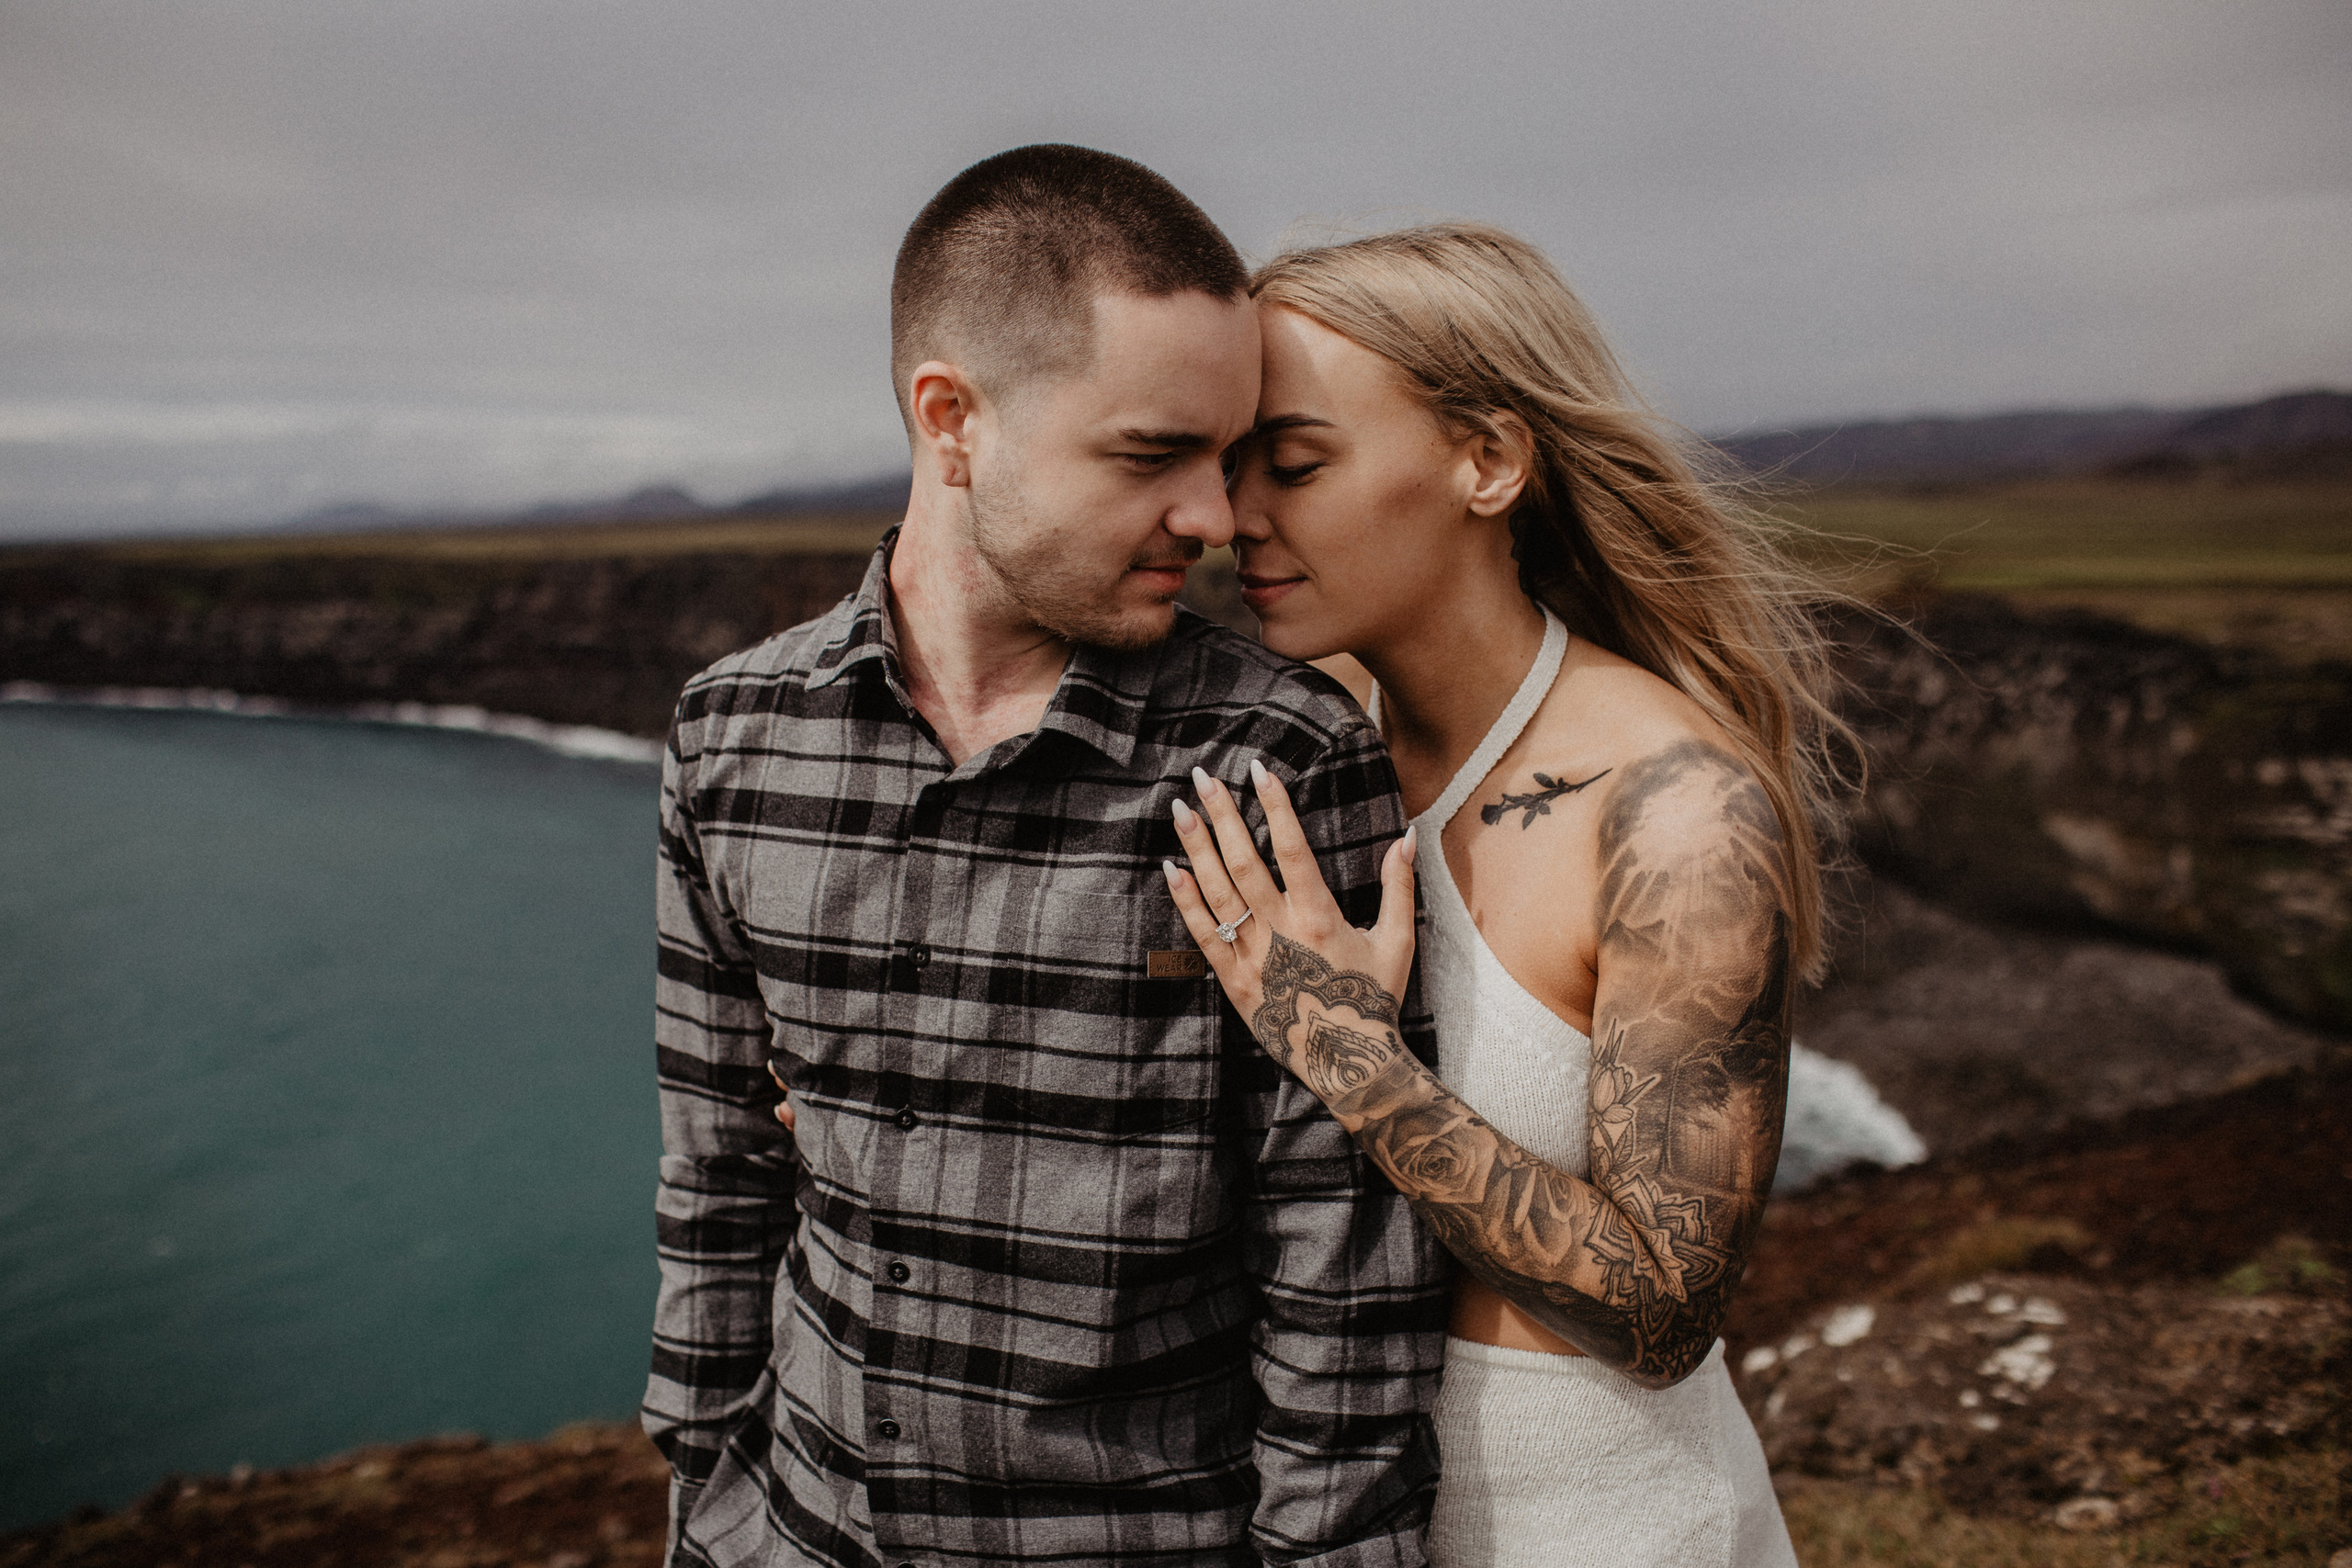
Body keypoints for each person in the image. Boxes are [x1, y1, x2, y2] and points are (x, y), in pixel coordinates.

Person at [642, 146, 1453, 1568]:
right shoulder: (732, 737)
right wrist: (708, 1503)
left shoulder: (1285, 760)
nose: (1214, 519)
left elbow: (1345, 1275)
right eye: (1152, 456)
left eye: (1229, 456)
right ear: (952, 418)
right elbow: (716, 1178)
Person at [1164, 223, 1851, 1565]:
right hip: (1337, 1510)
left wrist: (1354, 1058)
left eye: (1295, 464)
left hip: (1603, 1524)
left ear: (1486, 461)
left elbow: (1665, 1314)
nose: (1237, 517)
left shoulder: (1677, 810)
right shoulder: (1305, 743)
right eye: (1231, 464)